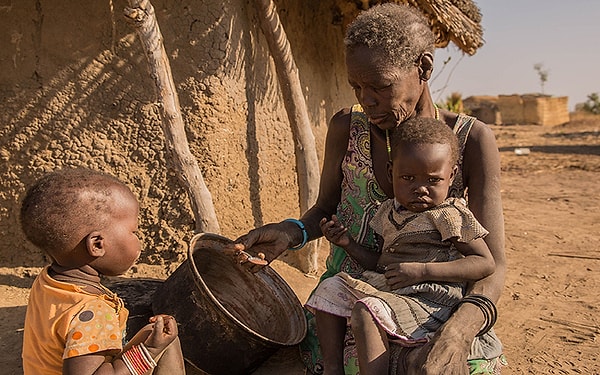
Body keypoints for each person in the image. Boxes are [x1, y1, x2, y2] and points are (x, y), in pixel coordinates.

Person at [227, 3, 507, 374]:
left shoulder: (469, 140)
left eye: (381, 85)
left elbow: (493, 263)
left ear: (423, 67)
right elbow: (324, 209)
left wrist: (457, 335)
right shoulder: (347, 127)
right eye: (357, 87)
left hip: (433, 307)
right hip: (349, 305)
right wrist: (291, 232)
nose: (367, 99)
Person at [305, 117, 501, 375]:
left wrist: (423, 271)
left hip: (432, 300)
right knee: (330, 288)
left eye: (433, 180)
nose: (420, 189)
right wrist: (348, 244)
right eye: (408, 178)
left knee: (367, 311)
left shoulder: (450, 215)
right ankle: (332, 368)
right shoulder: (388, 213)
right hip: (392, 291)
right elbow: (382, 265)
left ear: (451, 176)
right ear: (390, 173)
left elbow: (484, 263)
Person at [20, 168, 185, 375]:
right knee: (158, 343)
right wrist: (148, 352)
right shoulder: (93, 312)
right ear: (97, 245)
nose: (138, 240)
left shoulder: (50, 282)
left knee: (157, 333)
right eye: (133, 232)